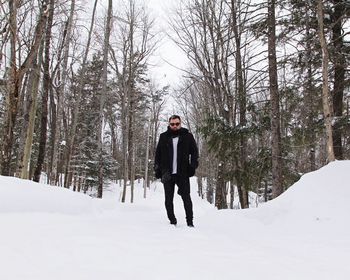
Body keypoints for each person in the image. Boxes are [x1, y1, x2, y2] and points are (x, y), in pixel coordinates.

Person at [154, 115, 199, 227]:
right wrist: (157, 169)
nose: (175, 126)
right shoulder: (163, 137)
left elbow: (194, 153)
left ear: (180, 123)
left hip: (182, 173)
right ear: (169, 124)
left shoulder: (187, 136)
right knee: (168, 200)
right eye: (172, 124)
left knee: (186, 198)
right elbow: (158, 155)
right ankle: (172, 221)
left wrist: (192, 166)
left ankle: (190, 222)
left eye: (177, 124)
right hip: (167, 173)